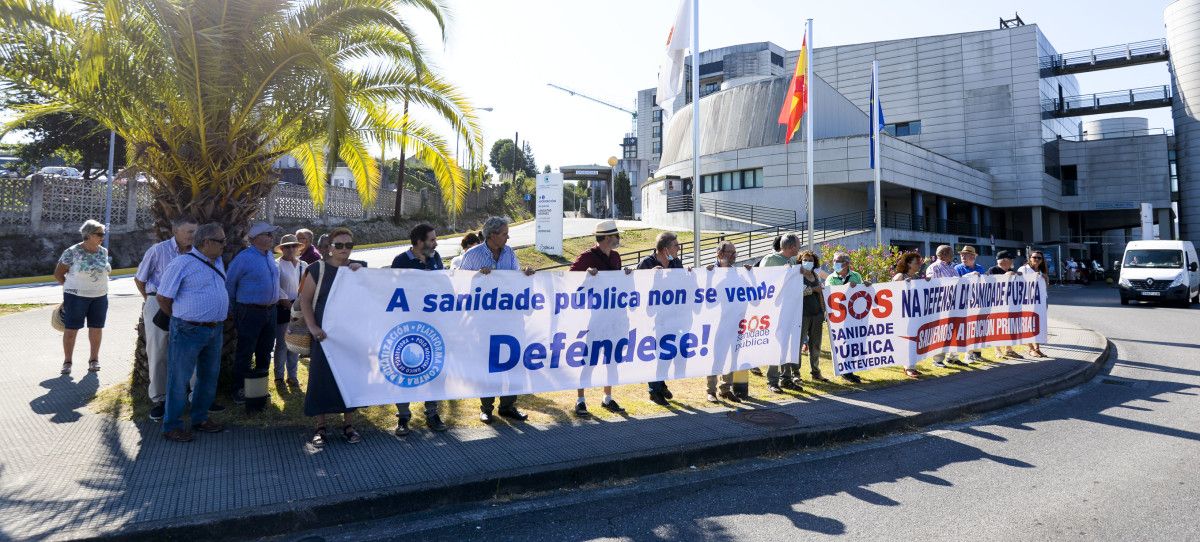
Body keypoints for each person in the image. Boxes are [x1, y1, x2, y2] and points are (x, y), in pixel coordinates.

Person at [155, 223, 229, 443]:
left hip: (214, 329)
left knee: (208, 377)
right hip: (188, 329)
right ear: (206, 243)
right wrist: (181, 319)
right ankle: (172, 425)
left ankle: (200, 418)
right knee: (179, 379)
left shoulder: (217, 262)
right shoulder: (182, 263)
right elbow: (163, 298)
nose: (225, 245)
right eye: (221, 241)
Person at [458, 216, 536, 424]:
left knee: (512, 361)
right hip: (484, 322)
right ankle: (486, 408)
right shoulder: (473, 255)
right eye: (504, 234)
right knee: (489, 363)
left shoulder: (509, 253)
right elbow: (461, 285)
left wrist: (525, 274)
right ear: (492, 235)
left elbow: (516, 280)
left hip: (510, 319)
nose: (508, 237)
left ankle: (508, 405)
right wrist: (478, 277)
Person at [300, 227, 365, 446]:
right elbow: (306, 301)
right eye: (339, 245)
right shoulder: (317, 269)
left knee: (348, 378)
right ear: (329, 247)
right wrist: (312, 327)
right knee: (320, 378)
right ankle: (320, 426)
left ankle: (348, 424)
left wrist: (361, 274)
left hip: (350, 336)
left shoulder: (359, 268)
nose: (344, 249)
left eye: (349, 245)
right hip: (324, 336)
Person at [135, 216, 199, 420]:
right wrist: (151, 301)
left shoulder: (197, 253)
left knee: (191, 349)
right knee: (158, 351)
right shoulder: (158, 250)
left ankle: (194, 396)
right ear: (176, 231)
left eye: (196, 232)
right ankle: (160, 399)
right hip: (158, 303)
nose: (193, 236)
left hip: (187, 305)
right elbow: (140, 279)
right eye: (190, 232)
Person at [390, 224, 449, 434]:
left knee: (435, 369)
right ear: (418, 242)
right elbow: (390, 290)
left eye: (435, 239)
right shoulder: (401, 261)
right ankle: (403, 418)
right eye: (431, 240)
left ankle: (432, 414)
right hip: (408, 326)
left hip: (434, 325)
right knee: (405, 369)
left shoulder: (436, 258)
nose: (436, 243)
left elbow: (444, 286)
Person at [569, 220, 630, 416]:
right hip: (594, 317)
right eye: (616, 236)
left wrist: (626, 275)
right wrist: (586, 276)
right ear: (606, 238)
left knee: (612, 359)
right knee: (589, 359)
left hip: (615, 317)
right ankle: (580, 400)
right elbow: (569, 280)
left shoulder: (616, 257)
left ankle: (607, 397)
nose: (619, 239)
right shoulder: (586, 257)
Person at [225, 221, 282, 405]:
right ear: (254, 239)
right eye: (267, 234)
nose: (271, 238)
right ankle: (239, 389)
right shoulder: (244, 258)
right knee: (246, 351)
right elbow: (230, 284)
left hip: (270, 311)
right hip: (249, 311)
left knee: (265, 351)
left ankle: (259, 388)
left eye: (271, 234)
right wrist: (233, 309)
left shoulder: (269, 256)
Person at [54, 219, 112, 376]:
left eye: (103, 234)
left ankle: (94, 360)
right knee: (71, 330)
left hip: (100, 297)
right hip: (76, 297)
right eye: (100, 234)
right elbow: (58, 274)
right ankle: (67, 362)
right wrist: (71, 288)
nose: (103, 237)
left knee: (96, 328)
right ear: (88, 235)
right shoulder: (72, 252)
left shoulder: (103, 251)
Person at [636, 231, 684, 405]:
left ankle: (660, 382)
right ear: (665, 249)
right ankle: (654, 390)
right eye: (675, 246)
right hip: (652, 317)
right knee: (656, 353)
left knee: (668, 351)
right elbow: (637, 290)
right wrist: (650, 278)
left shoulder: (676, 263)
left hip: (671, 315)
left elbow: (682, 284)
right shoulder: (646, 263)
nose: (678, 249)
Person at [705, 241, 754, 402]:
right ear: (720, 254)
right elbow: (706, 299)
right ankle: (710, 390)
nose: (734, 256)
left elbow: (753, 297)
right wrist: (708, 278)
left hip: (734, 322)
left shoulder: (738, 273)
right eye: (730, 253)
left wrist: (750, 276)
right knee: (715, 357)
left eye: (735, 252)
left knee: (731, 356)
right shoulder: (709, 272)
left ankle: (725, 388)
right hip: (716, 323)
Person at [760, 233, 801, 393]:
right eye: (798, 245)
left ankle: (787, 378)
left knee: (788, 345)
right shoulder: (770, 260)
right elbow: (764, 283)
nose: (799, 247)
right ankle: (772, 381)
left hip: (791, 310)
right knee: (776, 345)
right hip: (775, 312)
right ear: (791, 247)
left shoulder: (792, 261)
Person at [825, 251, 865, 384]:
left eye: (838, 261)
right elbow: (834, 296)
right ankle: (845, 371)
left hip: (853, 316)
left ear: (847, 264)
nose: (834, 263)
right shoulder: (831, 278)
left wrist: (866, 286)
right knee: (842, 343)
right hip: (839, 317)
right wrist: (847, 288)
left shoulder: (856, 276)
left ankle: (850, 369)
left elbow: (862, 293)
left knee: (853, 342)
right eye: (834, 261)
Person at [274, 234, 307, 390]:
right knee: (282, 344)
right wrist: (284, 299)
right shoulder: (276, 265)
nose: (291, 249)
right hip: (283, 307)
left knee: (295, 343)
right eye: (287, 246)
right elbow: (276, 286)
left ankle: (292, 376)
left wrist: (301, 304)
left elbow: (307, 286)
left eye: (293, 246)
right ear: (281, 249)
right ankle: (279, 376)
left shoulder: (303, 265)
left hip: (299, 308)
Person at [797, 250, 834, 382]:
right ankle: (796, 374)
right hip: (802, 315)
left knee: (816, 345)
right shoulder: (797, 274)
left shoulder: (815, 274)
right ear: (800, 260)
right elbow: (796, 292)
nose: (807, 262)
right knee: (798, 345)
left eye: (810, 260)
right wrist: (813, 289)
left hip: (817, 314)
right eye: (805, 260)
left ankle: (816, 372)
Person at [924, 244, 962, 368]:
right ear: (943, 254)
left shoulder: (953, 268)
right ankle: (938, 359)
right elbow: (932, 286)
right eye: (950, 253)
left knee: (955, 331)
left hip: (954, 305)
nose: (953, 255)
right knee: (941, 332)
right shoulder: (934, 268)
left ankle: (953, 357)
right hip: (941, 306)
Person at [891, 252, 926, 378]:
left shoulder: (916, 278)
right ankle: (908, 367)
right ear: (908, 264)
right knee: (907, 340)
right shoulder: (900, 276)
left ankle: (912, 366)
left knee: (913, 340)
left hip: (913, 315)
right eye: (916, 262)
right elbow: (892, 292)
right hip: (902, 315)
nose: (919, 265)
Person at [953, 246, 986, 364]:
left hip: (976, 303)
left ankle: (970, 354)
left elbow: (985, 283)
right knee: (961, 329)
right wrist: (970, 275)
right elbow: (955, 282)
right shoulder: (957, 268)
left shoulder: (980, 268)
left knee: (974, 328)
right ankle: (955, 356)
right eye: (961, 255)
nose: (962, 257)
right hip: (962, 304)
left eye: (965, 255)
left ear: (973, 257)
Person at [988, 250, 1023, 360]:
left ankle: (1009, 349)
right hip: (996, 306)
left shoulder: (1012, 270)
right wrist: (1004, 277)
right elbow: (988, 285)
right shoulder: (992, 270)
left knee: (1009, 327)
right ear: (1003, 260)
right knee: (997, 327)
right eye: (1011, 259)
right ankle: (997, 350)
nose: (1012, 261)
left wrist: (1018, 276)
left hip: (1009, 305)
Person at [1018, 251, 1050, 359]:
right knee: (1028, 325)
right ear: (1030, 258)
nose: (1036, 259)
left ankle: (1037, 349)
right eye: (1034, 257)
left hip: (1041, 302)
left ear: (1042, 260)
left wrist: (1045, 278)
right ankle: (1031, 349)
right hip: (1027, 302)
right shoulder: (1024, 269)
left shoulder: (1041, 271)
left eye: (1039, 258)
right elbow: (1018, 282)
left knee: (1038, 325)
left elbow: (1046, 287)